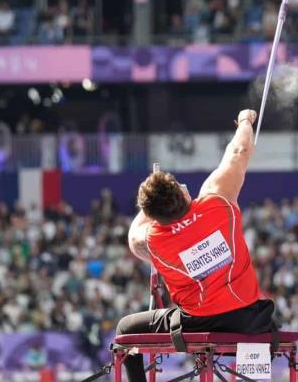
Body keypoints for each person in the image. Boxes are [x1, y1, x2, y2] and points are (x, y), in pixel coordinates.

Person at [118, 110, 276, 382]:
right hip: (248, 320)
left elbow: (134, 235)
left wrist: (149, 211)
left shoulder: (151, 240)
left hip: (194, 323)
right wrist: (245, 121)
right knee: (269, 326)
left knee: (125, 329)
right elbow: (239, 151)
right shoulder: (218, 200)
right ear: (182, 192)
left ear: (154, 215)